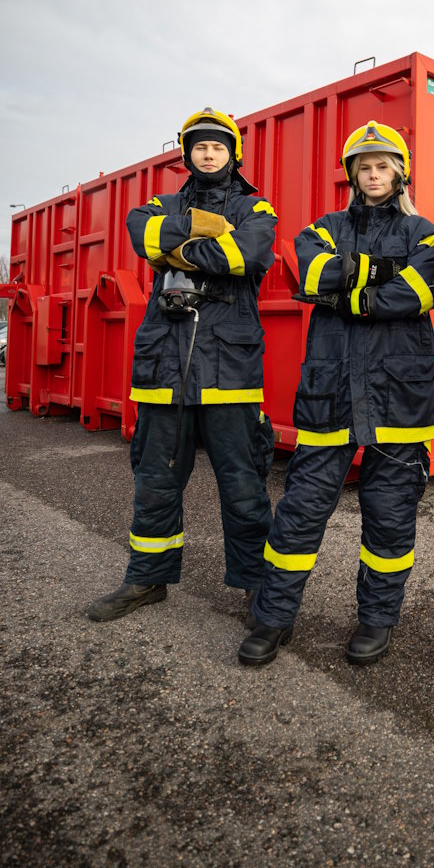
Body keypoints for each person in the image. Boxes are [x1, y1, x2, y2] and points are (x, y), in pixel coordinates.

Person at [238, 120, 434, 668]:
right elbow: (310, 270)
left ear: (400, 172)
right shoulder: (323, 228)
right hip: (330, 395)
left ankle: (377, 622)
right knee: (300, 514)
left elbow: (417, 292)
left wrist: (348, 293)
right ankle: (273, 618)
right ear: (352, 175)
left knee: (390, 517)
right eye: (364, 167)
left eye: (383, 165)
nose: (374, 174)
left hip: (400, 401)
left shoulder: (425, 234)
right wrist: (378, 275)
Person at [88, 107, 277, 622]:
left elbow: (248, 256)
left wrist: (176, 251)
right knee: (154, 484)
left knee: (243, 487)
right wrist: (197, 230)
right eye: (199, 146)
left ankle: (256, 588)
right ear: (187, 153)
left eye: (218, 146)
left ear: (233, 154)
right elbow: (141, 233)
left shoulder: (256, 208)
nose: (208, 153)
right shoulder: (160, 203)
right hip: (164, 373)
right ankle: (146, 579)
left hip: (228, 374)